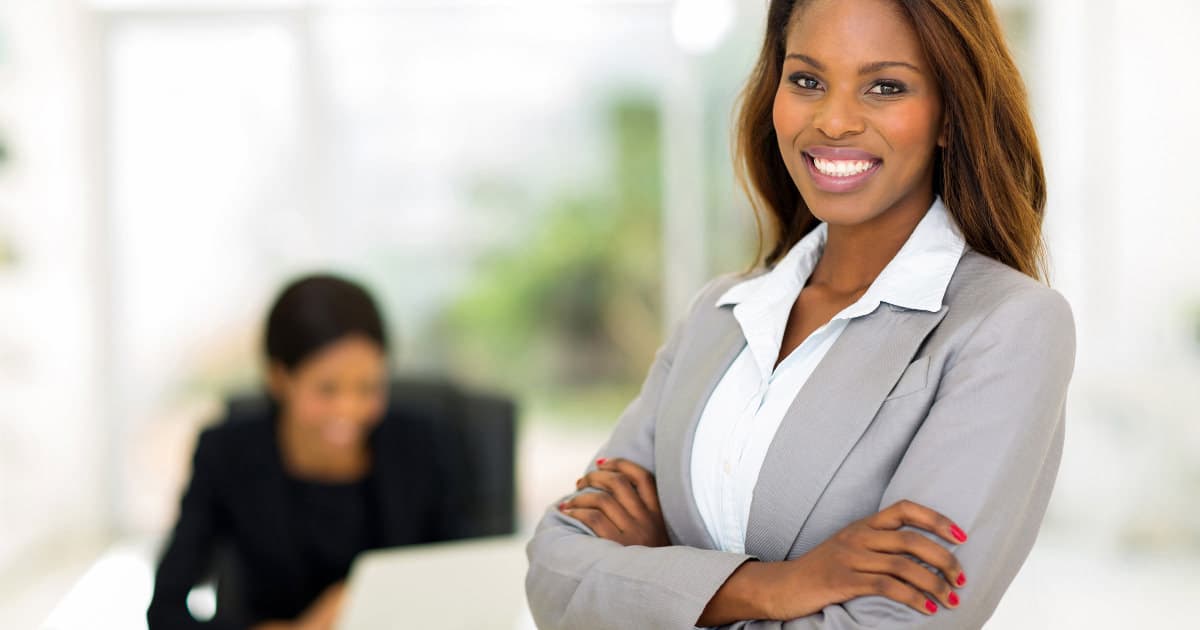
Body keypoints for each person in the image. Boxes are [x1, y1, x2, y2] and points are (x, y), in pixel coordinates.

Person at [525, 0, 1075, 628]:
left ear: (950, 115)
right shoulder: (719, 313)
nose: (834, 121)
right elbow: (553, 571)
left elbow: (891, 626)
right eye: (807, 80)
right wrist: (773, 587)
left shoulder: (1008, 327)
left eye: (885, 86)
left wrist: (656, 577)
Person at [148, 274, 463, 630]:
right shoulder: (226, 454)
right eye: (327, 390)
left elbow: (466, 582)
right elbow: (165, 612)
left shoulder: (424, 444)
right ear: (280, 378)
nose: (349, 410)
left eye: (369, 387)